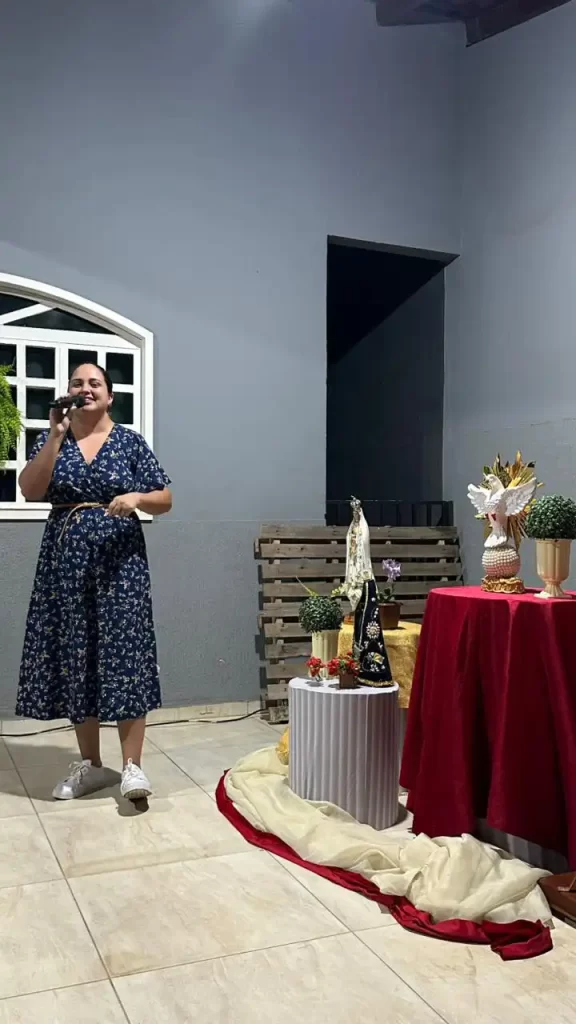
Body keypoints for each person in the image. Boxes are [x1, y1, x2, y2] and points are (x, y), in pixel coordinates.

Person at [17, 363, 172, 802]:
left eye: (94, 383)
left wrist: (137, 497)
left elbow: (164, 498)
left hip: (120, 566)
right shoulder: (54, 438)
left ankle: (132, 767)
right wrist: (54, 435)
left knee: (126, 656)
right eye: (77, 382)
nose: (85, 388)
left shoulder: (129, 442)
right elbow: (30, 489)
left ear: (109, 396)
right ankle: (93, 766)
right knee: (76, 657)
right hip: (65, 565)